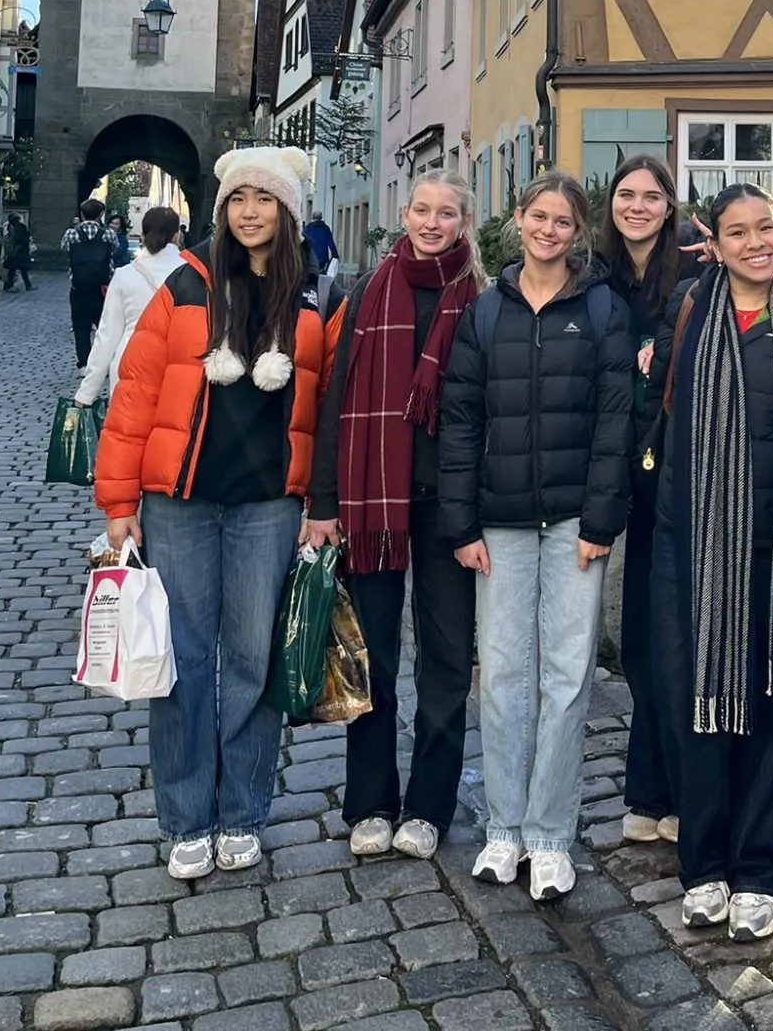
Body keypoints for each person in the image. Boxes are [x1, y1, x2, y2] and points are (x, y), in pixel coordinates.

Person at [94, 147, 344, 883]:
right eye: (239, 199)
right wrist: (118, 502)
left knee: (251, 662)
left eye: (265, 200)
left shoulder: (315, 295)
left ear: (287, 212)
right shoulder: (183, 286)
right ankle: (184, 818)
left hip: (269, 505)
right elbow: (134, 394)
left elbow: (327, 407)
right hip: (181, 503)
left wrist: (318, 504)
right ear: (223, 208)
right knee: (183, 661)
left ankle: (242, 814)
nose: (250, 212)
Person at [438, 171, 634, 904]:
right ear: (518, 219)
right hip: (502, 521)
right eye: (538, 217)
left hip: (575, 524)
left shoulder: (602, 309)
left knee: (567, 676)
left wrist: (602, 519)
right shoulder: (487, 311)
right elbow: (461, 424)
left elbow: (617, 422)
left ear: (577, 231)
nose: (549, 230)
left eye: (563, 221)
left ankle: (551, 833)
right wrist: (461, 523)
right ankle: (503, 825)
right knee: (506, 675)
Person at [652, 184, 773, 942]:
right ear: (714, 245)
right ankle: (704, 867)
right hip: (694, 544)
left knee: (768, 707)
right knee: (698, 707)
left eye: (766, 227)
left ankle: (758, 868)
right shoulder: (688, 314)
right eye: (737, 231)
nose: (755, 241)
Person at [307, 172, 485, 862]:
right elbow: (333, 400)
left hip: (449, 507)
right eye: (421, 210)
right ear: (402, 214)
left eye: (446, 213)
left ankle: (429, 807)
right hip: (369, 501)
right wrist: (322, 501)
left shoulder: (478, 297)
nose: (432, 223)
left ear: (465, 220)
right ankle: (372, 803)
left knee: (444, 660)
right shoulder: (364, 295)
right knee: (371, 657)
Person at [597, 153, 689, 849]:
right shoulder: (594, 276)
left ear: (668, 205)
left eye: (650, 196)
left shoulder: (692, 273)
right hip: (607, 469)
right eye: (626, 195)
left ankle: (668, 790)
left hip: (673, 473)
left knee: (670, 636)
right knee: (635, 642)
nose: (637, 206)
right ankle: (647, 784)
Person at [74, 208, 184, 407]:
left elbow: (106, 337)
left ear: (142, 236)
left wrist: (86, 393)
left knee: (126, 434)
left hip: (130, 366)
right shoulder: (196, 273)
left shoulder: (125, 275)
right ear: (177, 236)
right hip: (178, 369)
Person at [62, 198, 117, 367]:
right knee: (103, 327)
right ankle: (102, 362)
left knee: (81, 327)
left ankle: (84, 363)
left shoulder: (71, 234)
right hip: (102, 288)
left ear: (82, 214)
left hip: (78, 287)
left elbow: (64, 249)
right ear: (101, 215)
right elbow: (113, 250)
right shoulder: (108, 234)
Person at [2, 215, 33, 291]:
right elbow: (22, 240)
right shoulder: (20, 227)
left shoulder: (13, 227)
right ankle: (12, 286)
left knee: (14, 269)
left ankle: (10, 285)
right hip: (19, 252)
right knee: (19, 269)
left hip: (17, 252)